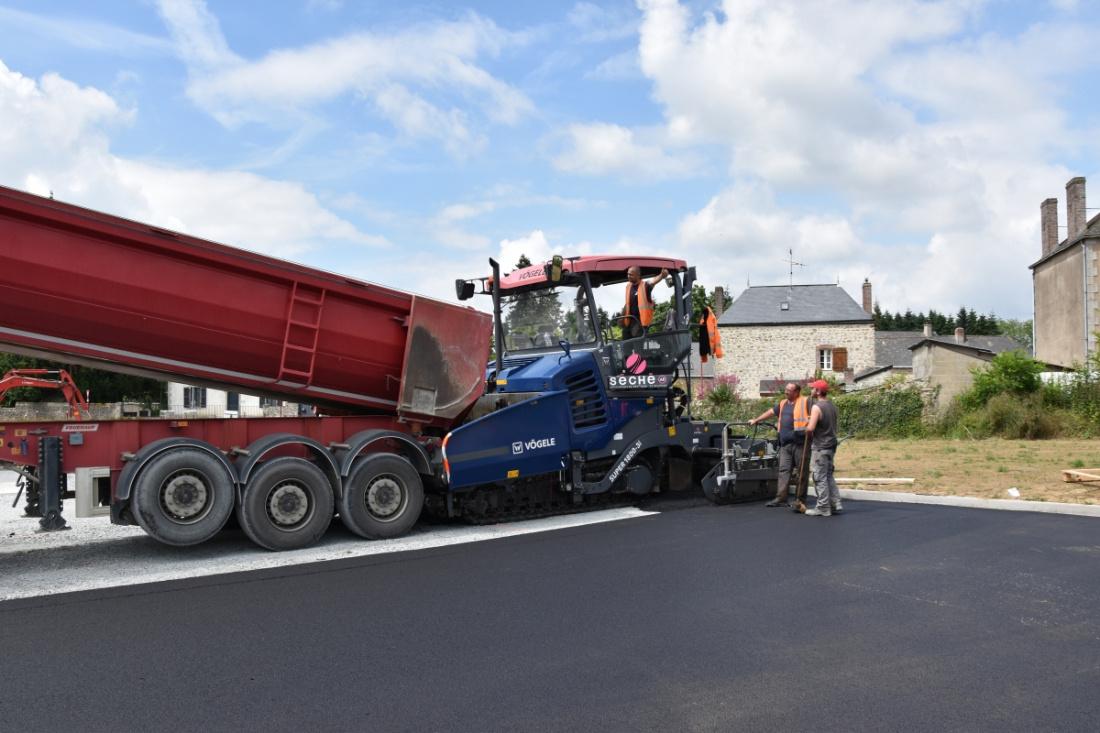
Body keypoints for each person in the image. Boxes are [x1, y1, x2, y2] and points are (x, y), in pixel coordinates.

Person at [749, 382, 811, 507]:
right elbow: (771, 412)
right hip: (786, 444)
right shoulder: (783, 404)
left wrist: (813, 419)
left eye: (789, 390)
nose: (786, 392)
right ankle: (781, 498)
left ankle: (800, 499)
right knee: (783, 471)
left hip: (801, 443)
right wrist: (756, 420)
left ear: (796, 392)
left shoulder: (806, 401)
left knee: (802, 472)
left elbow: (817, 412)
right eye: (786, 389)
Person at [804, 379, 841, 517]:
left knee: (819, 477)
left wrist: (808, 427)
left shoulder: (816, 407)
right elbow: (824, 422)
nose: (811, 391)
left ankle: (823, 507)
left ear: (818, 391)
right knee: (828, 475)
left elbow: (811, 429)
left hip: (820, 446)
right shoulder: (831, 405)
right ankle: (835, 503)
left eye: (813, 388)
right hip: (831, 445)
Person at [623, 265, 668, 339]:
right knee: (625, 342)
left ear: (638, 275)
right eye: (628, 274)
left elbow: (653, 282)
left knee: (637, 342)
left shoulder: (645, 286)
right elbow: (627, 304)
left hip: (640, 321)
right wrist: (622, 316)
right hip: (629, 320)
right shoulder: (628, 287)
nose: (628, 276)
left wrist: (661, 275)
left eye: (631, 274)